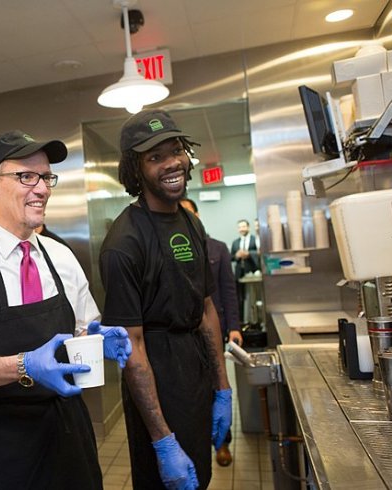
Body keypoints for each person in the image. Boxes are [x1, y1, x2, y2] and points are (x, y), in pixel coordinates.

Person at [0, 130, 131, 489]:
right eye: (26, 176)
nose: (43, 188)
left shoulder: (60, 257)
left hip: (67, 437)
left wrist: (95, 336)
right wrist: (23, 365)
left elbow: (82, 328)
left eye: (46, 177)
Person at [99, 110, 232, 489]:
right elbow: (132, 344)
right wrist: (162, 439)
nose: (172, 163)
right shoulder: (123, 244)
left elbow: (206, 307)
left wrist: (222, 387)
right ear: (135, 169)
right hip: (157, 379)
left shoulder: (191, 222)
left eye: (175, 151)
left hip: (196, 374)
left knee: (200, 478)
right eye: (155, 157)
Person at [180, 198, 243, 467]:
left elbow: (229, 291)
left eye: (188, 213)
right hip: (185, 333)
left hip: (213, 328)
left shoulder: (216, 248)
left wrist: (235, 328)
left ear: (197, 215)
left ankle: (223, 442)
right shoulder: (175, 250)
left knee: (219, 385)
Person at [230, 219, 259, 322]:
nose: (242, 229)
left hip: (253, 273)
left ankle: (255, 320)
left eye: (244, 226)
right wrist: (237, 255)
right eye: (240, 227)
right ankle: (242, 321)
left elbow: (259, 253)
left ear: (248, 227)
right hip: (239, 274)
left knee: (253, 297)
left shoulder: (254, 239)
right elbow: (231, 257)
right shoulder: (235, 242)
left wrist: (249, 254)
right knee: (239, 298)